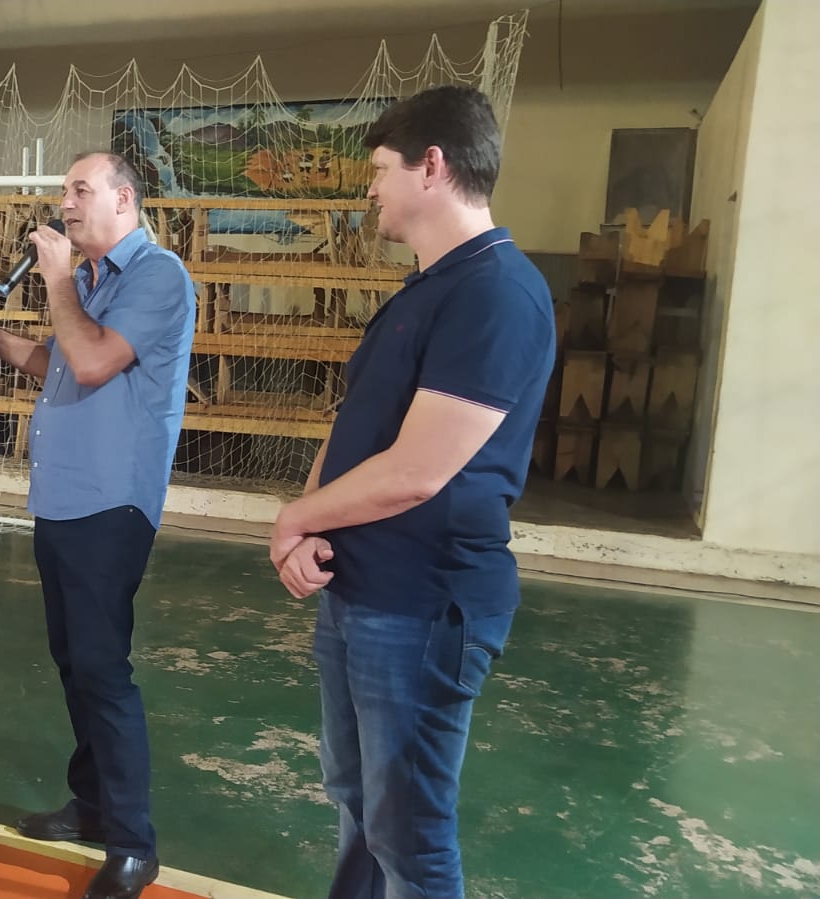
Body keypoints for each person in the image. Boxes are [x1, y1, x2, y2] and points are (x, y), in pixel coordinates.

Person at [269, 86, 555, 899]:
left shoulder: (496, 293)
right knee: (359, 805)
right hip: (361, 589)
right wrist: (310, 526)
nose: (371, 189)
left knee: (410, 835)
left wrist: (293, 517)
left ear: (432, 166)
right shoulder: (427, 287)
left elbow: (417, 470)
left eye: (380, 170)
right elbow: (356, 421)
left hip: (423, 606)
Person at [0, 152, 194, 899]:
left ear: (124, 199)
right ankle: (94, 804)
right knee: (74, 661)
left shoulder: (158, 275)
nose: (65, 202)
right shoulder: (94, 282)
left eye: (79, 189)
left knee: (103, 668)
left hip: (112, 503)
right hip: (63, 500)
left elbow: (96, 361)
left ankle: (133, 844)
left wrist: (58, 280)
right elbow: (65, 363)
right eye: (64, 190)